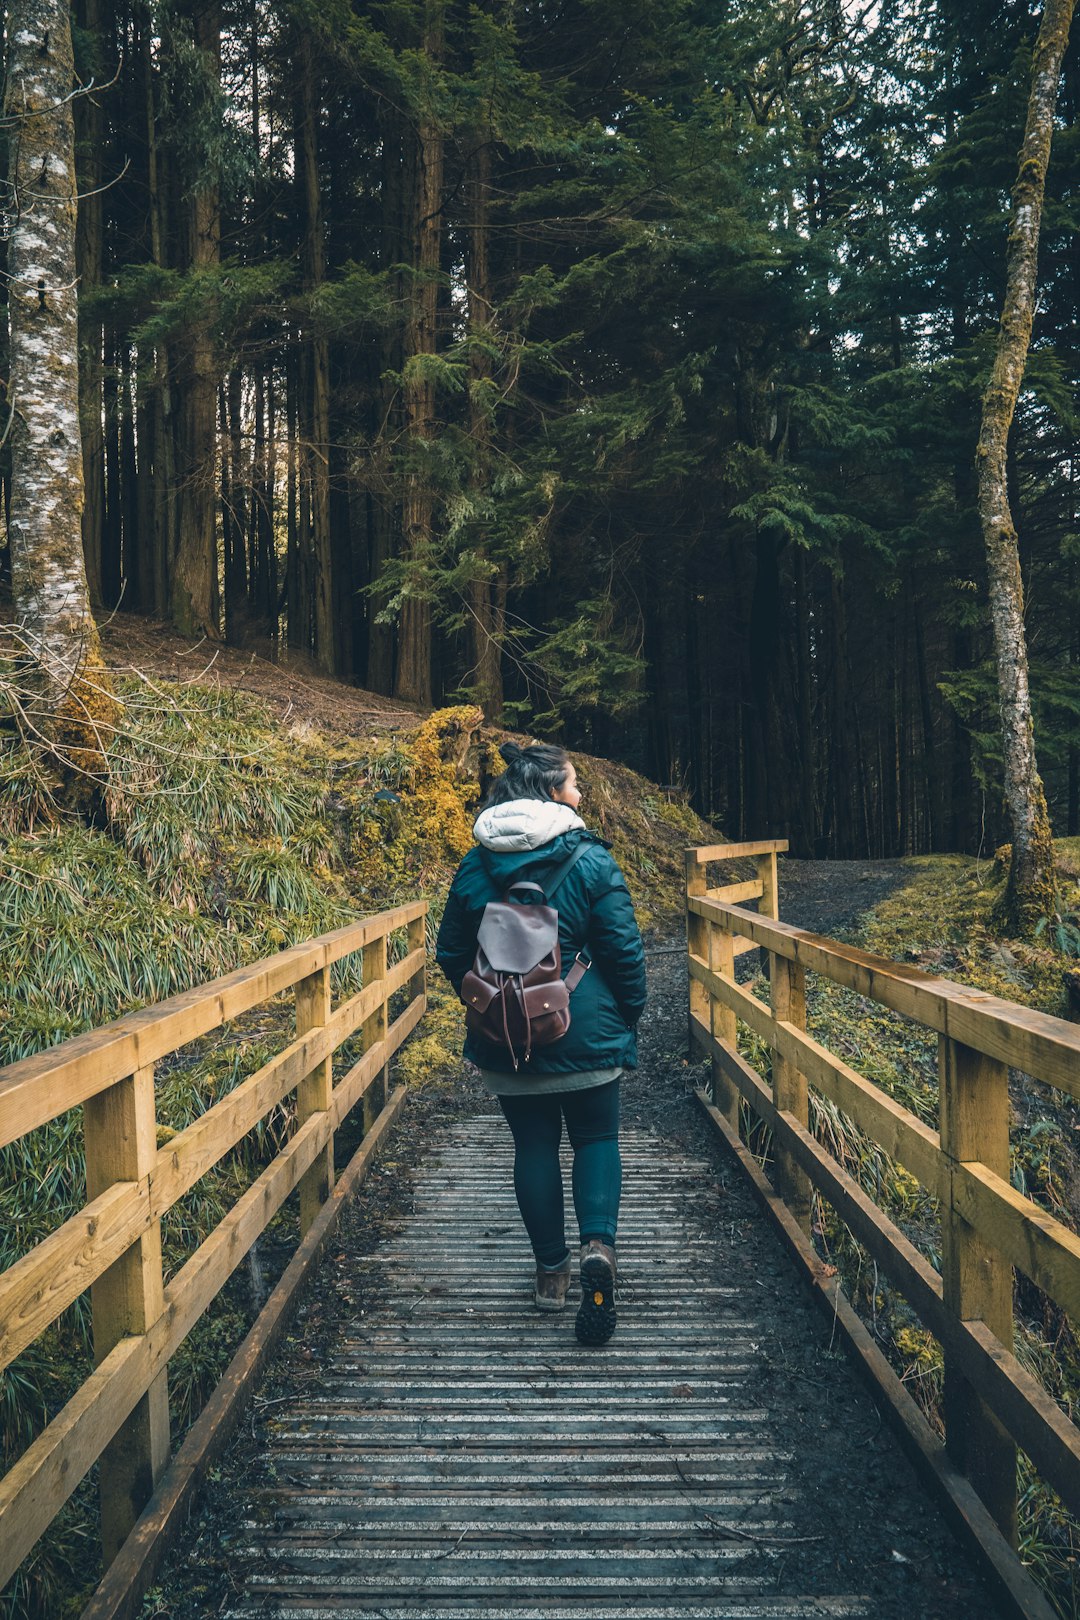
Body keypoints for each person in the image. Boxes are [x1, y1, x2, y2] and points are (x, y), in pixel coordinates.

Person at [435, 740, 647, 1346]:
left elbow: (451, 951)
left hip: (508, 1040)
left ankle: (552, 1275)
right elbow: (624, 952)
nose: (580, 794)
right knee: (596, 1137)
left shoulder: (477, 864)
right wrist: (626, 1015)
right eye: (575, 784)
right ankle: (598, 1249)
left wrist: (491, 1007)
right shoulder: (591, 860)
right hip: (587, 1030)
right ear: (552, 790)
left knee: (533, 1147)